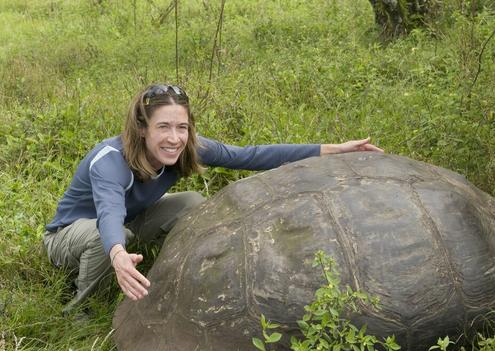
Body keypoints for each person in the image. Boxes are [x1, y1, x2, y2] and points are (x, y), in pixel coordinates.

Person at [43, 84, 383, 313]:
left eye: (182, 126)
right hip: (71, 237)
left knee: (190, 202)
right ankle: (80, 306)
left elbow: (252, 155)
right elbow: (109, 214)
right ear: (142, 128)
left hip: (126, 225)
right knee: (112, 236)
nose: (174, 138)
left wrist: (331, 151)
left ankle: (163, 274)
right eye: (163, 127)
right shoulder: (110, 161)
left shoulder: (185, 147)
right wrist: (117, 253)